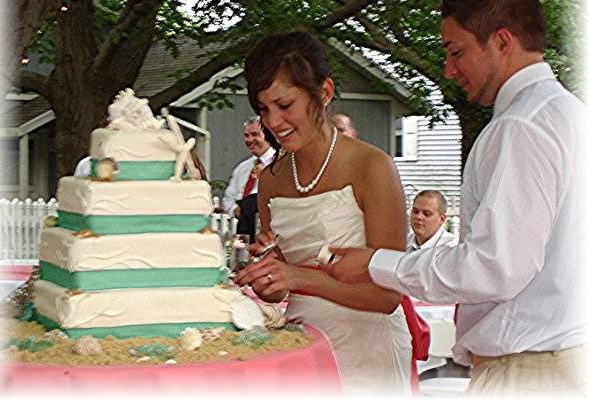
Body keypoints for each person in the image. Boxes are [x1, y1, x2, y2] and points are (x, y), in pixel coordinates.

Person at [327, 0, 588, 396]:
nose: (449, 70)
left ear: (502, 41)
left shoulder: (519, 127)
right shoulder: (568, 112)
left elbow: (493, 268)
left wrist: (377, 264)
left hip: (526, 368)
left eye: (456, 51)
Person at [234, 30, 413, 396]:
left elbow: (387, 297)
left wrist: (298, 278)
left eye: (285, 105)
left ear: (325, 93)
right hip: (303, 349)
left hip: (368, 350)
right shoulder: (270, 180)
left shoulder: (372, 166)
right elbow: (284, 281)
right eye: (263, 110)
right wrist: (269, 277)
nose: (274, 122)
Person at [222, 116, 276, 242]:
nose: (250, 140)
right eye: (246, 135)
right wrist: (236, 210)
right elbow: (228, 199)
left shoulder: (279, 163)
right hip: (243, 231)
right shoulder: (243, 168)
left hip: (268, 232)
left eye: (255, 134)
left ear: (268, 135)